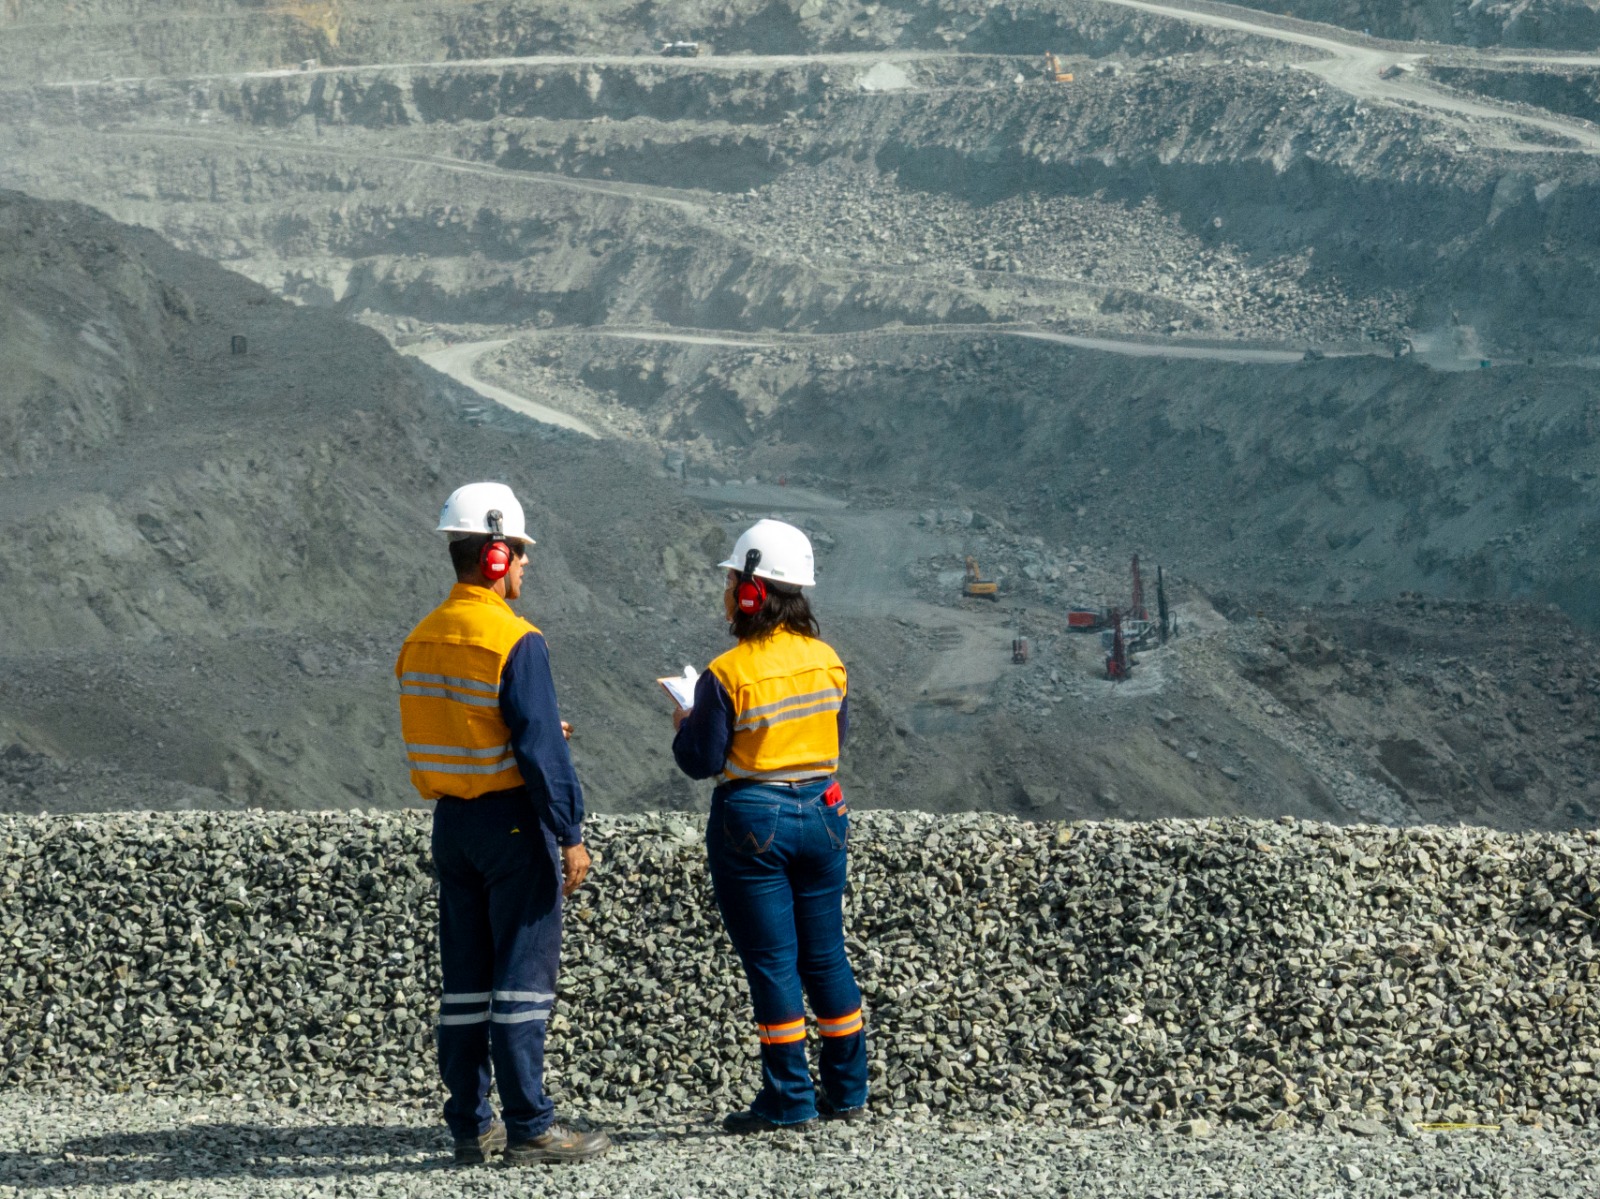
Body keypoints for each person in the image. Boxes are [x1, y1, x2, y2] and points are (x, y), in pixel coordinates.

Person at [395, 481, 610, 1167]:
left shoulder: (421, 638)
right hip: (513, 824)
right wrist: (570, 833)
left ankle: (470, 1124)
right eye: (519, 551)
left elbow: (462, 725)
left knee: (465, 980)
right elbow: (542, 752)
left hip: (452, 827)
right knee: (520, 979)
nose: (525, 563)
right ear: (496, 556)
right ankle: (530, 1127)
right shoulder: (516, 640)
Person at [671, 518, 869, 1132]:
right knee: (826, 955)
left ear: (753, 592)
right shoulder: (829, 661)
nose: (727, 593)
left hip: (754, 819)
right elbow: (835, 739)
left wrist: (686, 721)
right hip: (825, 811)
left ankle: (789, 1101)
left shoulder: (727, 673)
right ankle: (848, 1093)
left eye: (732, 582)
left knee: (774, 962)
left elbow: (701, 762)